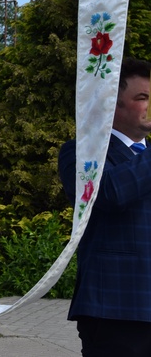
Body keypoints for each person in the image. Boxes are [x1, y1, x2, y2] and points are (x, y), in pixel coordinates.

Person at [58, 57, 151, 357]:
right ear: (113, 104)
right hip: (116, 308)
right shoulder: (81, 152)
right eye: (142, 97)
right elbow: (107, 192)